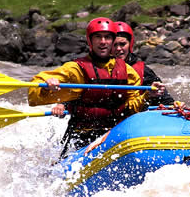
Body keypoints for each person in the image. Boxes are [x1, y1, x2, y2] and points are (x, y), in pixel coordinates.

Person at [28, 17, 146, 157]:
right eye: (98, 37)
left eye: (107, 37)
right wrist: (48, 85)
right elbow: (34, 91)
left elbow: (134, 106)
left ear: (113, 41)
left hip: (114, 134)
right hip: (82, 136)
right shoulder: (76, 68)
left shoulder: (128, 71)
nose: (103, 42)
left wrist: (148, 96)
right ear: (90, 41)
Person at [113, 21, 175, 107]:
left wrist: (172, 105)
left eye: (122, 44)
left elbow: (164, 99)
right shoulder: (100, 67)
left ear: (130, 44)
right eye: (114, 45)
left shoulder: (143, 71)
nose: (118, 48)